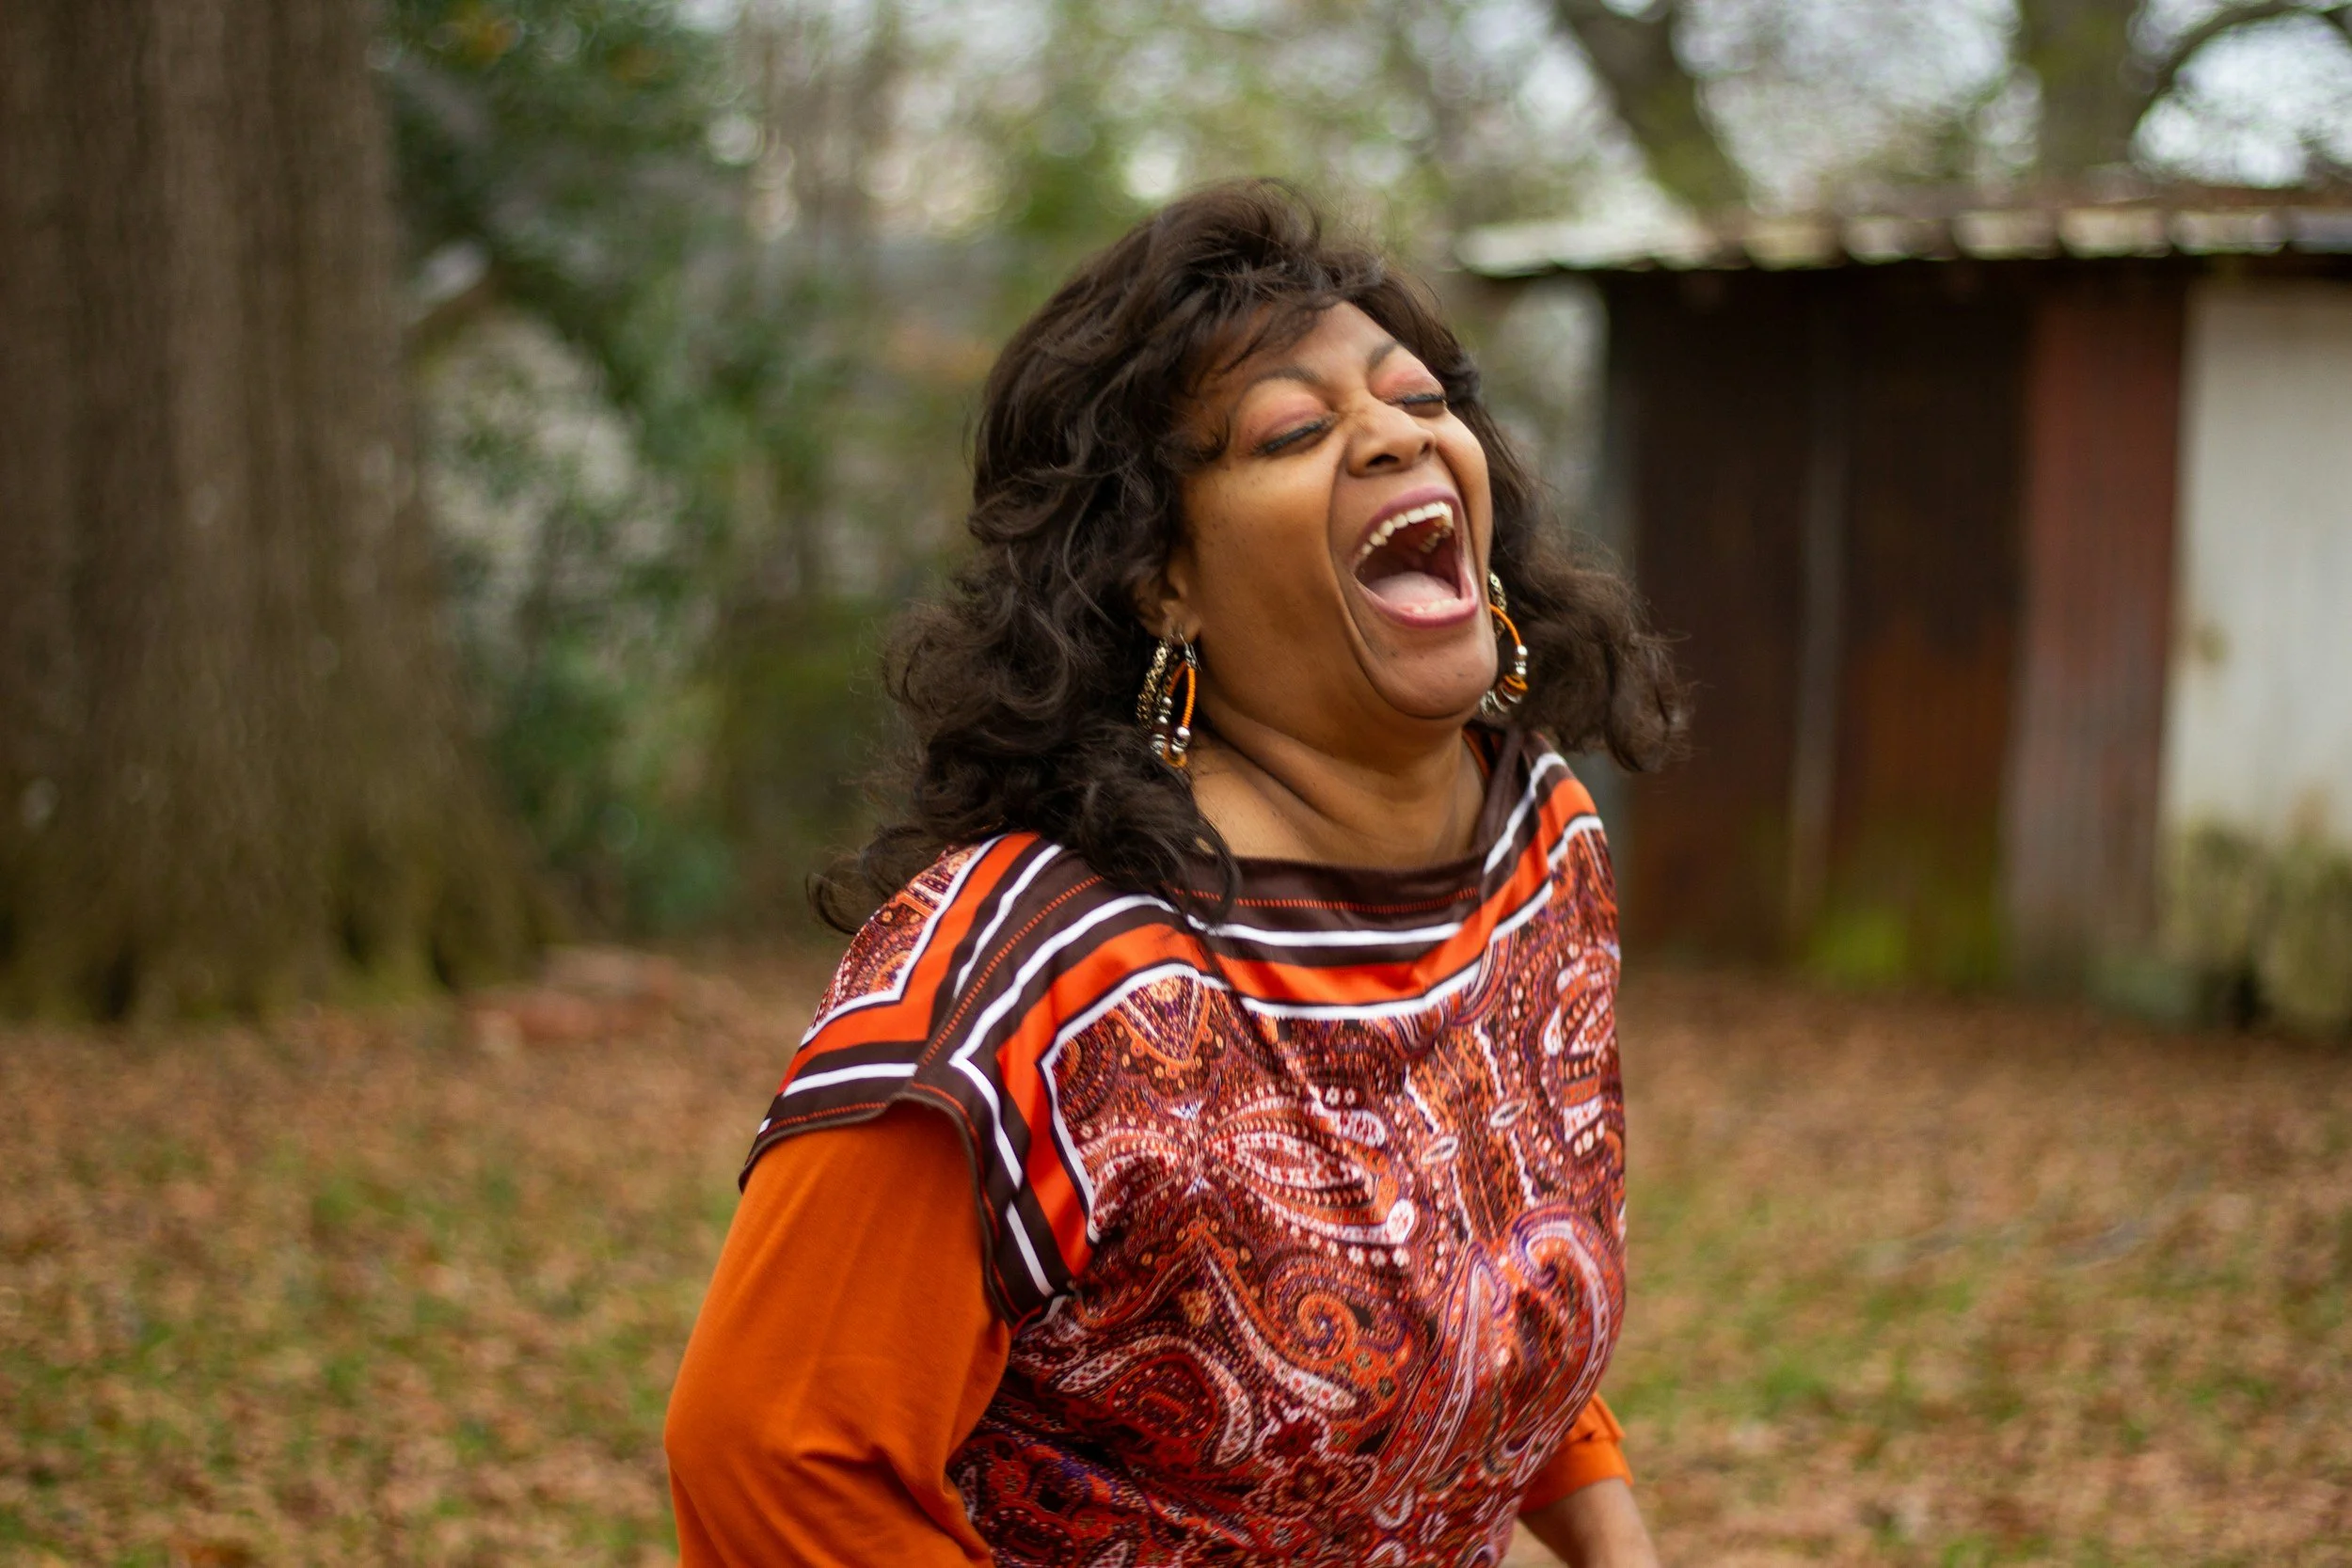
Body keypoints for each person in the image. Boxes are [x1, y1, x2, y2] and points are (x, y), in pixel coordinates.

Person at [664, 180, 1684, 1567]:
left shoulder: (1543, 847)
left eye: (1420, 396)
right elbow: (770, 1458)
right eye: (1295, 430)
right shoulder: (1035, 984)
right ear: (1162, 582)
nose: (1397, 434)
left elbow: (1483, 1270)